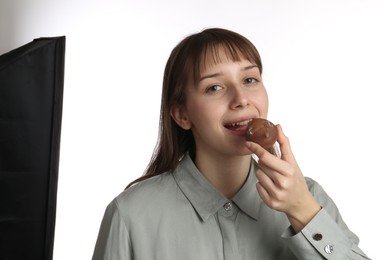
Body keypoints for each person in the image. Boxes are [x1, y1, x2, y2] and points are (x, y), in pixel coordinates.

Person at [92, 28, 370, 259]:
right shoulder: (130, 216)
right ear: (182, 114)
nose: (241, 99)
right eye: (215, 87)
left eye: (250, 79)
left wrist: (302, 211)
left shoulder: (309, 197)